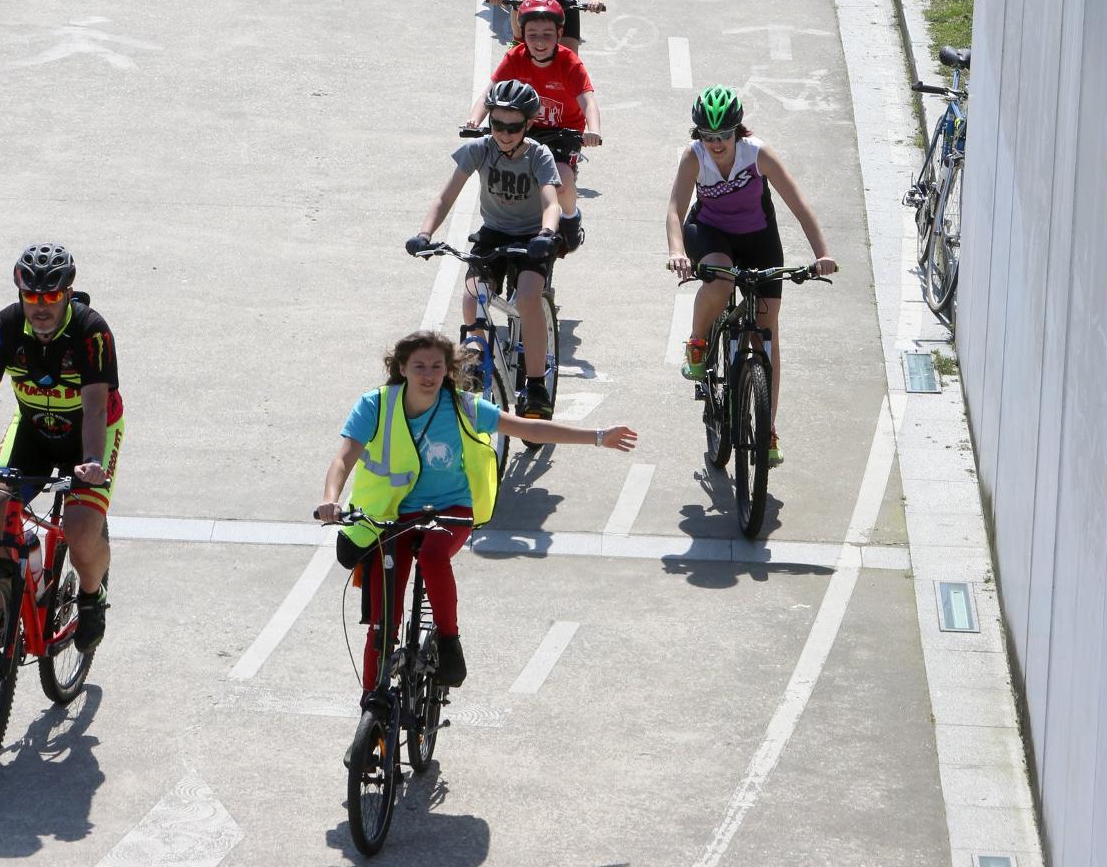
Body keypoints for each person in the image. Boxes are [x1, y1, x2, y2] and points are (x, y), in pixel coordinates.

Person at [314, 328, 637, 694]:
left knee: (434, 555)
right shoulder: (374, 405)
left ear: (448, 370)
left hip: (450, 510)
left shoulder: (463, 406)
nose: (428, 374)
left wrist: (597, 436)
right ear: (401, 368)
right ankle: (371, 703)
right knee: (383, 618)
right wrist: (331, 498)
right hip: (392, 515)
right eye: (418, 365)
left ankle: (449, 643)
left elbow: (528, 427)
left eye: (437, 366)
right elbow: (343, 457)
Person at [0, 245, 124, 654]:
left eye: (50, 296)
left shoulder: (91, 331)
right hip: (33, 427)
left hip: (90, 432)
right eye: (32, 297)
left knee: (81, 530)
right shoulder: (6, 327)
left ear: (68, 293)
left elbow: (95, 407)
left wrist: (89, 463)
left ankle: (90, 596)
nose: (41, 306)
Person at [666, 87, 837, 466]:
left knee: (766, 332)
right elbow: (676, 211)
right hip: (711, 234)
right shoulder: (693, 158)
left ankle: (768, 428)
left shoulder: (757, 153)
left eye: (723, 135)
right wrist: (677, 251)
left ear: (737, 132)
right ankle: (697, 342)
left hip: (759, 238)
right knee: (721, 281)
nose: (715, 144)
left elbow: (799, 204)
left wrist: (822, 254)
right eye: (707, 136)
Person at [407, 78, 563, 417]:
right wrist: (424, 233)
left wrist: (546, 232)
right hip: (493, 233)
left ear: (529, 124)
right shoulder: (480, 149)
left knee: (527, 297)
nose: (504, 133)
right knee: (472, 294)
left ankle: (535, 384)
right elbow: (444, 196)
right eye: (497, 124)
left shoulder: (539, 155)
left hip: (532, 238)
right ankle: (475, 354)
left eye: (514, 126)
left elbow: (552, 203)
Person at [476, 0, 601, 256]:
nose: (540, 41)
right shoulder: (515, 57)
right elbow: (488, 93)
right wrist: (473, 120)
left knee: (562, 178)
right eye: (532, 35)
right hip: (524, 129)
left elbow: (588, 100)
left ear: (559, 33)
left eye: (547, 34)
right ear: (523, 34)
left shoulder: (569, 62)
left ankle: (570, 218)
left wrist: (593, 129)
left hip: (562, 134)